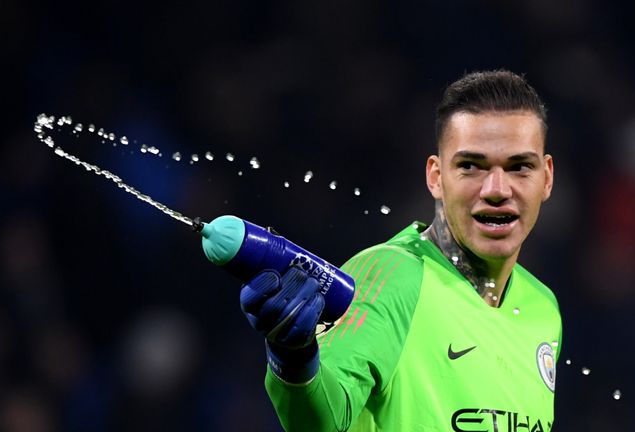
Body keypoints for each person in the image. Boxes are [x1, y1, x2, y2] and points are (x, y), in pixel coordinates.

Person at [240, 70, 561, 431]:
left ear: (546, 178)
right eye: (471, 166)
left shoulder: (542, 307)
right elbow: (321, 422)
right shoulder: (393, 275)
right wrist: (293, 357)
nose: (497, 189)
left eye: (520, 167)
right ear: (436, 177)